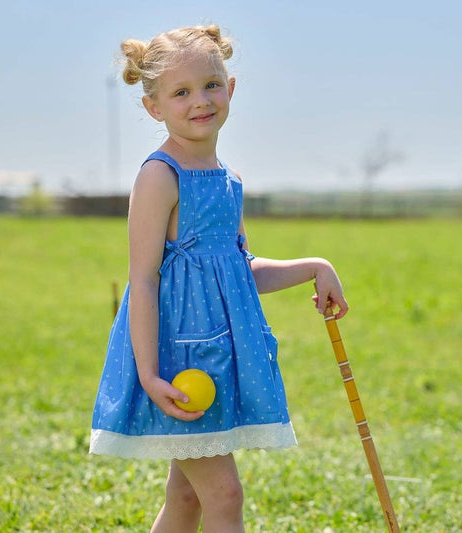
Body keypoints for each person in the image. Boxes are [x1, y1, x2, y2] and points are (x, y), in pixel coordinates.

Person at [90, 24, 348, 532]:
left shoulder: (228, 180)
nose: (200, 101)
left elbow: (240, 272)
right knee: (224, 497)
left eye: (210, 84)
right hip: (176, 364)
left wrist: (315, 267)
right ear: (154, 108)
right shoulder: (160, 176)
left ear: (230, 89)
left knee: (187, 498)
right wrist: (147, 376)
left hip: (219, 358)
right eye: (181, 92)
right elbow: (141, 282)